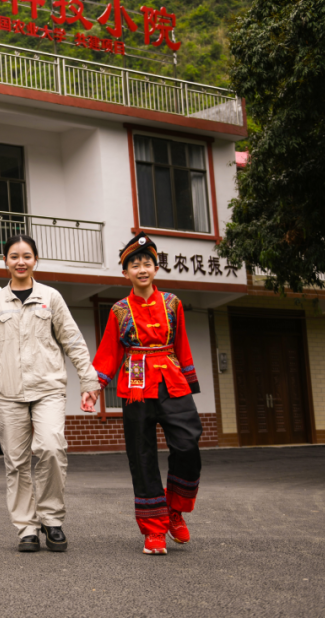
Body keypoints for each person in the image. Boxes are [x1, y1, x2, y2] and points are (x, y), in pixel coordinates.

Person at [0, 235, 101, 553]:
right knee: (16, 461)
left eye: (26, 256)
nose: (20, 262)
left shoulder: (51, 297)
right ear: (5, 262)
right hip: (7, 393)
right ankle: (27, 528)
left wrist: (89, 381)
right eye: (14, 256)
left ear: (36, 260)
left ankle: (52, 520)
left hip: (48, 389)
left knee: (51, 447)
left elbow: (73, 340)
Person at [92, 232, 203, 555]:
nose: (142, 269)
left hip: (172, 381)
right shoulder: (119, 310)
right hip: (136, 384)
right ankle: (154, 529)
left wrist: (190, 380)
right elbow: (109, 352)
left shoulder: (173, 303)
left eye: (147, 263)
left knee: (188, 444)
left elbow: (182, 344)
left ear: (156, 267)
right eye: (135, 265)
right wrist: (94, 387)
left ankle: (174, 510)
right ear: (125, 272)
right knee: (142, 457)